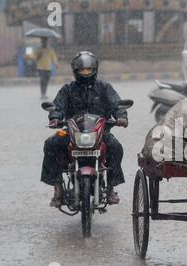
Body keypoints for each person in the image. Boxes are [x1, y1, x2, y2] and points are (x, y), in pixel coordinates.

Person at [41, 51, 129, 208]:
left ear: (95, 69)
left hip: (100, 132)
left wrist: (121, 117)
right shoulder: (67, 90)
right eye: (82, 70)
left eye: (88, 70)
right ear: (76, 71)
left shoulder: (104, 88)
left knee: (116, 147)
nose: (86, 73)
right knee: (50, 144)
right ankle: (57, 188)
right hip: (72, 132)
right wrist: (55, 117)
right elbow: (58, 106)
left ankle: (110, 188)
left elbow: (116, 104)